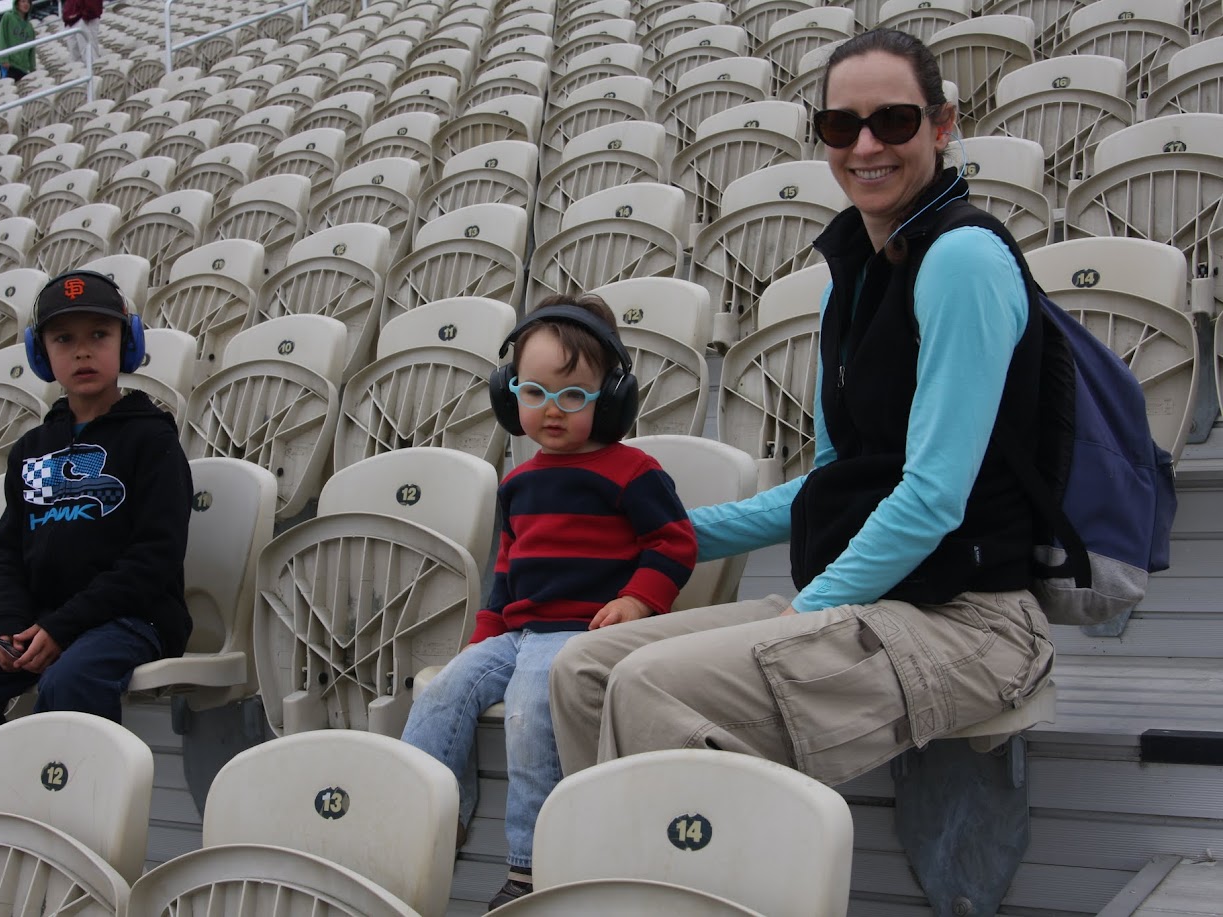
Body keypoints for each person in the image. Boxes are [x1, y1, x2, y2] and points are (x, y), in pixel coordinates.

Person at [548, 29, 1056, 790]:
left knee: (651, 684)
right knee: (583, 666)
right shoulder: (845, 283)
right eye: (840, 125)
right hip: (873, 603)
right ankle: (607, 853)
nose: (865, 145)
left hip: (969, 619)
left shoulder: (962, 259)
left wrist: (805, 612)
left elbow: (931, 497)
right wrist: (660, 534)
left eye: (893, 120)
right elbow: (830, 480)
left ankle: (688, 855)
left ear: (941, 127)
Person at [401, 294, 698, 910]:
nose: (552, 409)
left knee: (530, 709)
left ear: (611, 399)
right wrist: (482, 640)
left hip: (581, 633)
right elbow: (506, 571)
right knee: (440, 694)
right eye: (534, 392)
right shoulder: (518, 483)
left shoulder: (634, 471)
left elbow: (674, 542)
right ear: (508, 395)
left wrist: (638, 601)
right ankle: (425, 822)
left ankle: (530, 867)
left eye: (574, 395)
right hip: (519, 633)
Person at [0, 271, 193, 770]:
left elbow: (155, 557)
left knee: (70, 678)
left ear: (127, 344)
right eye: (64, 339)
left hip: (135, 618)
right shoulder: (32, 449)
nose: (83, 351)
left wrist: (62, 627)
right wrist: (7, 626)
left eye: (99, 334)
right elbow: (7, 550)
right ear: (40, 354)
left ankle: (74, 803)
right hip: (44, 620)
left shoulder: (151, 440)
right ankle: (1, 798)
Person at [0, 0, 35, 82]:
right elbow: (2, 38)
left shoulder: (30, 27)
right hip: (9, 65)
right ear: (17, 4)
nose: (26, 4)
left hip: (23, 68)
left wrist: (32, 68)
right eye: (23, 1)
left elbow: (32, 49)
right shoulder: (8, 17)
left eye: (28, 2)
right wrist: (3, 59)